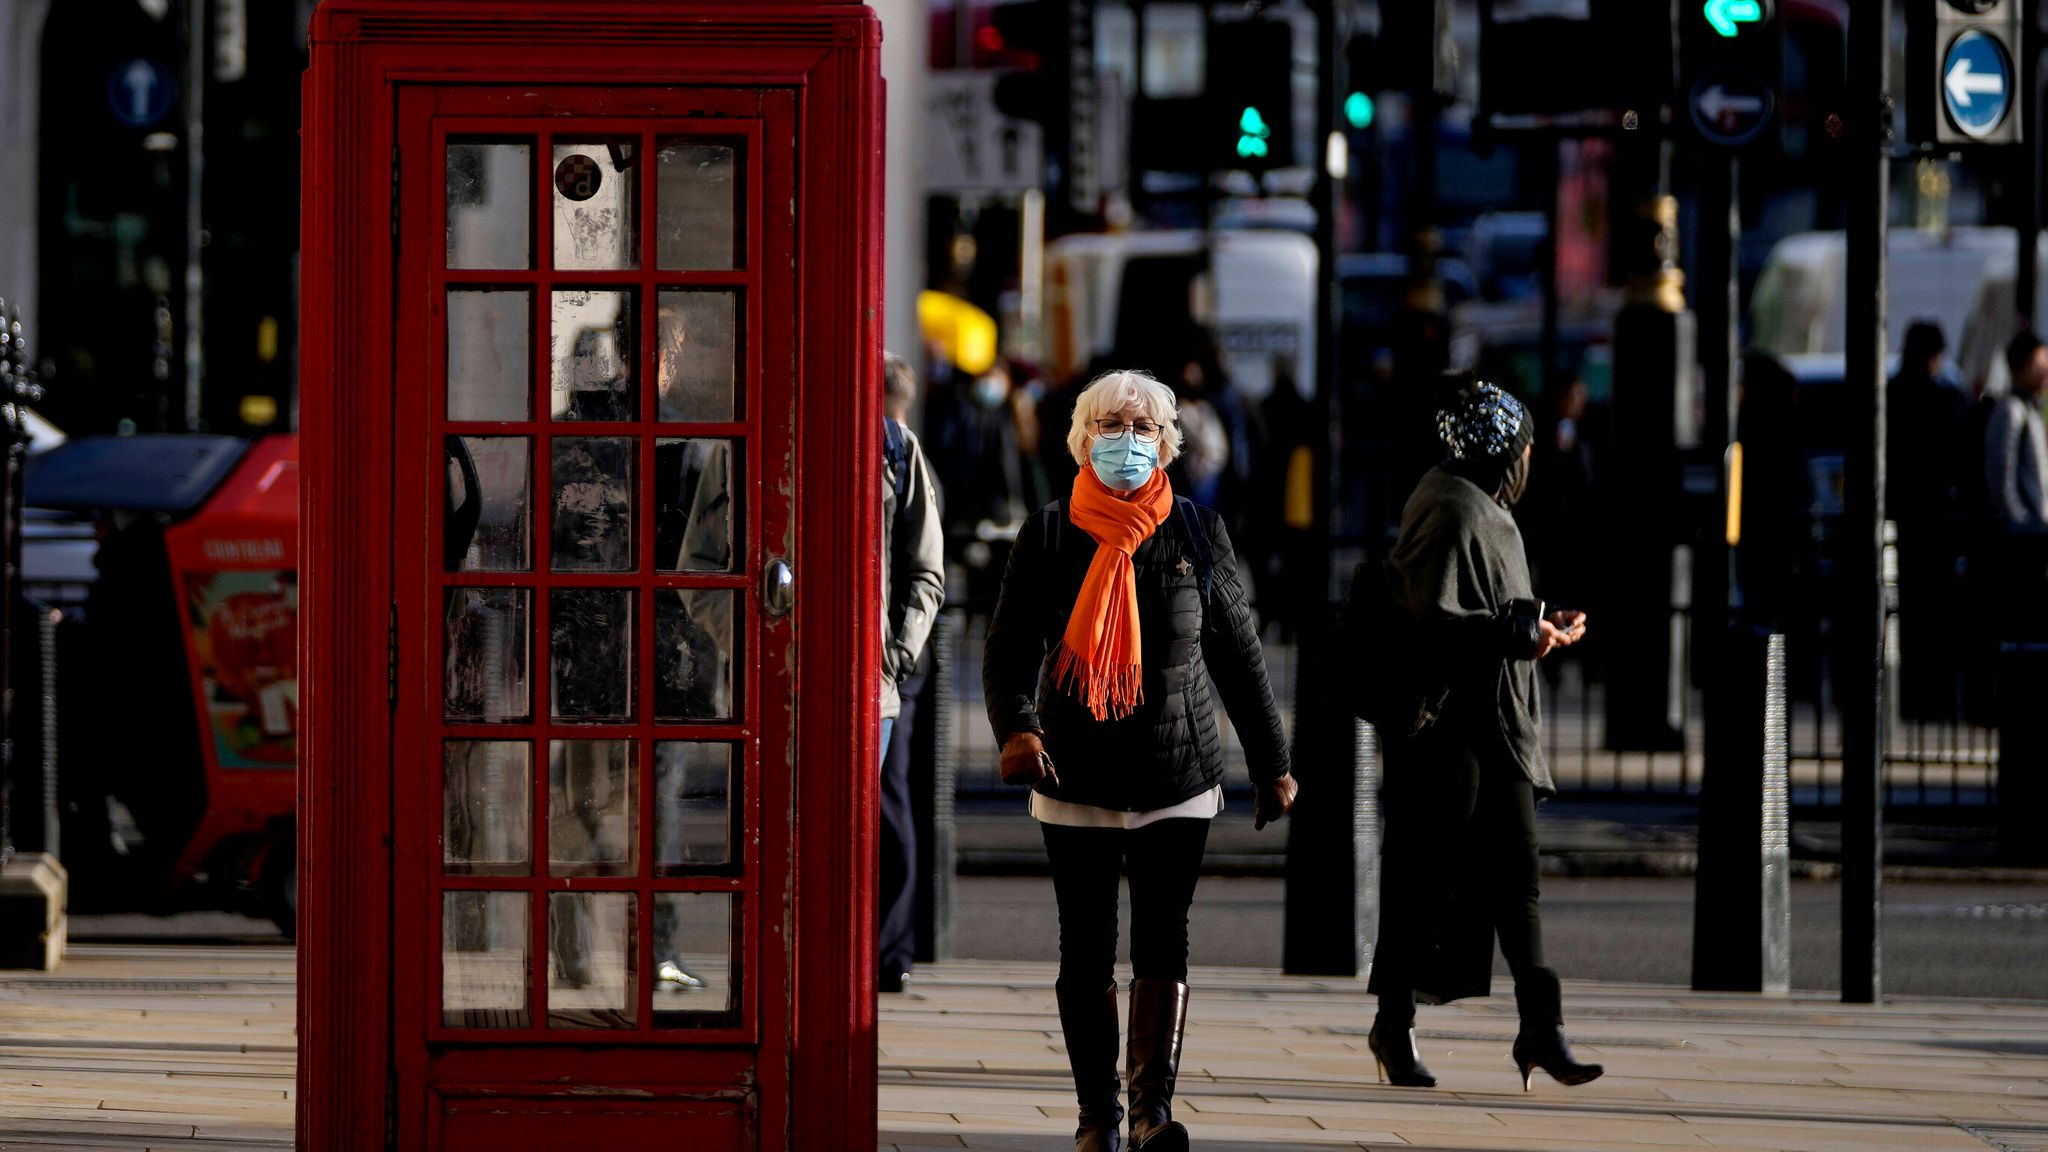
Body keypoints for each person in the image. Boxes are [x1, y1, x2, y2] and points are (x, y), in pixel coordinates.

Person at [983, 369, 1297, 1152]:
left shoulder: (1197, 531)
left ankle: (1152, 1111)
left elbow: (1237, 654)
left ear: (1168, 441)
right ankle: (1099, 1118)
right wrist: (1018, 727)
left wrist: (1272, 761)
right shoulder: (1050, 532)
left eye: (1145, 426)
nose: (1129, 440)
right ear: (1083, 439)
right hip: (1075, 774)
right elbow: (1008, 651)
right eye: (1113, 425)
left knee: (1164, 938)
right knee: (1084, 946)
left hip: (1175, 774)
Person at [1363, 379, 1604, 1094]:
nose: (1530, 456)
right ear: (1502, 448)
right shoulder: (1450, 504)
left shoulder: (1485, 508)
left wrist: (1539, 622)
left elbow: (1491, 607)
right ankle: (1392, 1022)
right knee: (1423, 884)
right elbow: (1428, 619)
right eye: (1524, 444)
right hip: (1451, 733)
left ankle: (1541, 1031)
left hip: (1497, 726)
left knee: (1518, 883)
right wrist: (1518, 634)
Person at [879, 352, 946, 993]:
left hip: (887, 673)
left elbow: (927, 569)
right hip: (872, 666)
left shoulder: (901, 452)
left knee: (888, 804)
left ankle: (888, 948)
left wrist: (895, 652)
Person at [1985, 332, 2048, 531]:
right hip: (2024, 535)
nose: (2044, 370)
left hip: (2035, 529)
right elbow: (2001, 474)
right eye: (2038, 362)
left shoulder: (2032, 410)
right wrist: (2018, 521)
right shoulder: (2011, 409)